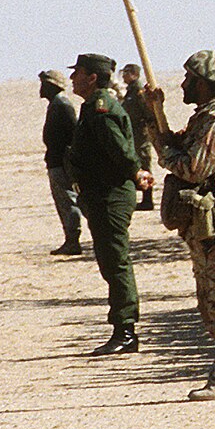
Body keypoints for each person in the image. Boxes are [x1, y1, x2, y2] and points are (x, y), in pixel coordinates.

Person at [147, 51, 215, 400]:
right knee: (210, 305)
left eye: (190, 79)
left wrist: (162, 151)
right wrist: (156, 112)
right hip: (202, 227)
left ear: (207, 83)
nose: (184, 84)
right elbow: (181, 145)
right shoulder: (204, 120)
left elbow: (194, 169)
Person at [66, 52, 151, 355]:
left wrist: (135, 171)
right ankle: (123, 328)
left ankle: (126, 331)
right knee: (110, 261)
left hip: (110, 194)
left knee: (116, 262)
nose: (72, 78)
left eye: (78, 73)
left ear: (92, 78)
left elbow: (117, 147)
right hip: (101, 193)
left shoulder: (100, 107)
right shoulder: (93, 106)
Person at [39, 68, 83, 255]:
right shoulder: (56, 104)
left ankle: (73, 241)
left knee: (67, 200)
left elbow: (73, 135)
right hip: (56, 160)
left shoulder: (62, 105)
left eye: (44, 84)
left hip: (61, 162)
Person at [120, 63, 157, 211]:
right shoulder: (131, 91)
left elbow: (147, 112)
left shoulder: (138, 91)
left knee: (144, 165)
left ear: (134, 74)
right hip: (133, 135)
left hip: (140, 136)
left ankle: (148, 200)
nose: (123, 76)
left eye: (126, 73)